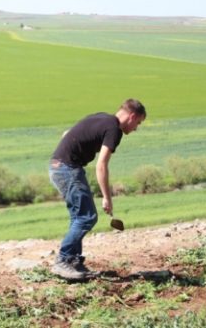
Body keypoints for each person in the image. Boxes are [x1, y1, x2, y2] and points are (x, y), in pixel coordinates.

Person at [48, 99, 146, 280]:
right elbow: (101, 166)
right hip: (68, 168)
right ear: (132, 116)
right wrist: (107, 197)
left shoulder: (101, 117)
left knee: (79, 216)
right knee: (87, 217)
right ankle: (62, 261)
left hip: (57, 166)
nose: (136, 128)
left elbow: (67, 133)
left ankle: (73, 262)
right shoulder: (114, 130)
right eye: (138, 123)